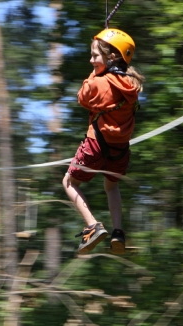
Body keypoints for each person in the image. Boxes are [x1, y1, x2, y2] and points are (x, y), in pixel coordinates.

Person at [62, 28, 145, 255]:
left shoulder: (100, 83)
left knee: (69, 182)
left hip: (96, 145)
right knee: (111, 186)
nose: (91, 60)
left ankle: (93, 226)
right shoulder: (132, 84)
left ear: (111, 58)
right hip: (120, 149)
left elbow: (82, 98)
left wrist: (94, 73)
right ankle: (118, 232)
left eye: (95, 56)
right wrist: (102, 62)